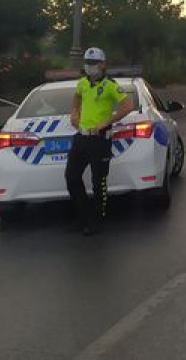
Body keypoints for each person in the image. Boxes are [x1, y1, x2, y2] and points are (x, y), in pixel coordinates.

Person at [67, 47, 133, 236]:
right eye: (87, 63)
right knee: (71, 177)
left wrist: (107, 121)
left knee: (99, 181)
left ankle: (97, 219)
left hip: (99, 140)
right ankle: (83, 217)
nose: (90, 67)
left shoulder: (111, 85)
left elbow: (128, 105)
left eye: (94, 63)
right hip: (81, 137)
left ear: (103, 65)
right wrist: (74, 111)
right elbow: (77, 97)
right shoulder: (82, 83)